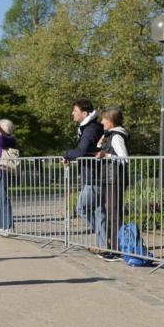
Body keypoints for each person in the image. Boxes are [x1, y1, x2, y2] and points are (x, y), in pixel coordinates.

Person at [62, 100, 104, 236]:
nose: (72, 113)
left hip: (95, 176)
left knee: (81, 208)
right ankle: (104, 242)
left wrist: (66, 154)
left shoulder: (90, 129)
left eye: (75, 111)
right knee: (98, 210)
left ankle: (106, 235)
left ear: (84, 113)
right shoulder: (88, 128)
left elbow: (81, 150)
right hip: (93, 174)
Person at [94, 108, 130, 260]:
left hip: (115, 178)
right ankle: (114, 247)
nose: (101, 122)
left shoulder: (117, 136)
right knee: (112, 213)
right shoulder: (109, 135)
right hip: (109, 178)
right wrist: (99, 145)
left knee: (114, 214)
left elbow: (125, 159)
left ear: (112, 121)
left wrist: (106, 155)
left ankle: (117, 250)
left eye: (104, 119)